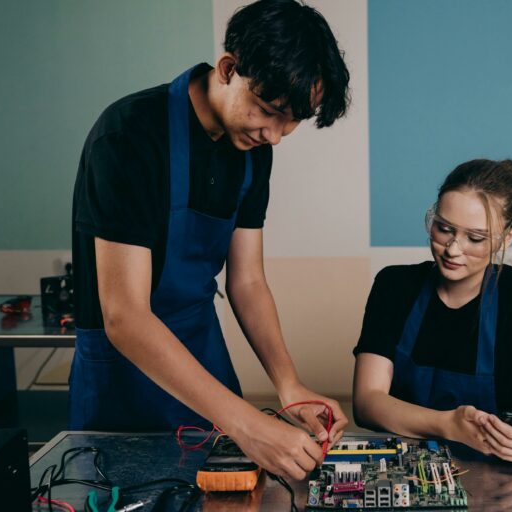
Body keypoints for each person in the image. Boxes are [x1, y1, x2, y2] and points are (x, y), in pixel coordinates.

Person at [70, 0, 350, 481]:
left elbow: (247, 281)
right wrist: (245, 421)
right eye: (269, 112)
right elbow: (126, 316)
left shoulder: (253, 150)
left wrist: (289, 387)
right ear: (228, 69)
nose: (277, 136)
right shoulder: (130, 135)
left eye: (292, 122)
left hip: (202, 351)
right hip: (122, 373)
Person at [352, 159, 512, 462]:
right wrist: (447, 424)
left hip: (499, 478)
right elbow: (367, 402)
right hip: (402, 469)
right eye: (443, 228)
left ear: (508, 236)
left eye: (475, 238)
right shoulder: (395, 286)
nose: (452, 249)